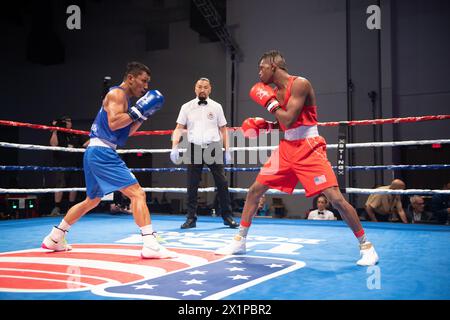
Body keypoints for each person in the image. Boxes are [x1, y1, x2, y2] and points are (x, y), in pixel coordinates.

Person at [215, 50, 378, 266]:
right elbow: (285, 124)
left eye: (261, 68)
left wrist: (270, 105)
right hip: (287, 148)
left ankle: (367, 247)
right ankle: (240, 241)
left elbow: (290, 119)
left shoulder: (300, 84)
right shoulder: (275, 92)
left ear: (273, 66)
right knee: (255, 190)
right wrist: (266, 125)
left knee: (336, 199)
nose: (258, 73)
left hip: (309, 148)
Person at [41, 61, 177, 259]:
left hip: (97, 151)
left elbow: (124, 132)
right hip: (102, 152)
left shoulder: (125, 101)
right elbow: (114, 124)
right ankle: (150, 244)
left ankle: (54, 237)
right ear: (131, 78)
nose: (146, 86)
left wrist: (142, 116)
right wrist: (137, 111)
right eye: (143, 81)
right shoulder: (117, 94)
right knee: (137, 194)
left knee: (92, 200)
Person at [170, 77, 239, 229]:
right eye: (199, 87)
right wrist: (174, 146)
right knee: (192, 185)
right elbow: (178, 128)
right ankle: (190, 219)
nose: (202, 89)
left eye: (205, 87)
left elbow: (223, 130)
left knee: (222, 183)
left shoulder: (217, 107)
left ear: (210, 89)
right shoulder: (186, 107)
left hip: (213, 147)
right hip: (193, 147)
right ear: (195, 89)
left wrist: (227, 149)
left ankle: (227, 217)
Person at [49, 116, 88, 216]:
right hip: (61, 163)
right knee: (60, 184)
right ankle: (56, 207)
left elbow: (85, 144)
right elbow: (53, 145)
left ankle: (71, 208)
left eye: (70, 121)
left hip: (74, 163)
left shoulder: (75, 133)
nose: (69, 123)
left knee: (73, 185)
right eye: (66, 121)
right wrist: (54, 130)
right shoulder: (59, 133)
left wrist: (95, 136)